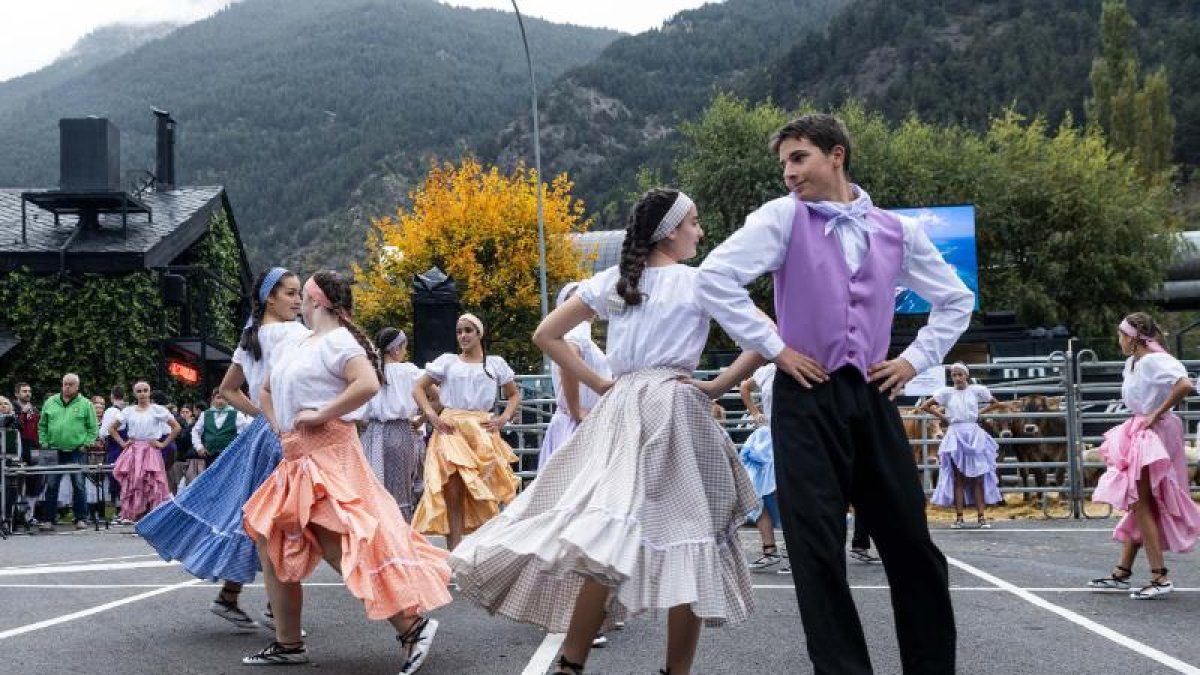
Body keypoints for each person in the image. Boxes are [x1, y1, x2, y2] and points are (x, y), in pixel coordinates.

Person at [695, 114, 973, 674]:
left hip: (872, 394)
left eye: (799, 158)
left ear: (836, 155)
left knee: (912, 546)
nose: (788, 173)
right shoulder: (781, 218)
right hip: (804, 396)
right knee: (816, 551)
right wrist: (776, 348)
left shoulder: (896, 231)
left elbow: (956, 299)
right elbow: (713, 277)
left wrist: (913, 360)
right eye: (784, 163)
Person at [450, 188, 760, 675]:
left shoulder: (617, 281)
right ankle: (674, 672)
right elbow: (762, 338)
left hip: (623, 409)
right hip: (675, 407)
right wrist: (716, 385)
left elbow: (546, 334)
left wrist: (600, 384)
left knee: (605, 531)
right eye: (693, 223)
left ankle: (571, 664)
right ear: (669, 232)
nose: (699, 232)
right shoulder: (699, 282)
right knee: (689, 538)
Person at [241, 271, 450, 672]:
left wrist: (321, 413)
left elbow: (367, 384)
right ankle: (288, 642)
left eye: (302, 295)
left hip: (330, 453)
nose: (298, 302)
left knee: (342, 541)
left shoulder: (338, 341)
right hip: (298, 456)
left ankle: (412, 627)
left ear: (315, 300)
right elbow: (265, 390)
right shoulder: (299, 343)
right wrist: (279, 424)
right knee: (271, 537)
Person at [136, 267, 309, 631]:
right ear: (270, 298)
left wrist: (261, 414)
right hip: (284, 433)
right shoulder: (293, 333)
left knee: (253, 515)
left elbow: (229, 389)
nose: (298, 301)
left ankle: (236, 596)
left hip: (263, 433)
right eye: (291, 293)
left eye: (299, 294)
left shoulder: (252, 336)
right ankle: (273, 607)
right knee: (283, 518)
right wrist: (272, 414)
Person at [1088, 312, 1200, 599]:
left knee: (1141, 501)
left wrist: (1155, 413)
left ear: (1133, 337)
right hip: (1141, 429)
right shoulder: (1133, 363)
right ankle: (1122, 572)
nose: (1119, 340)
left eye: (1121, 335)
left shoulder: (1153, 360)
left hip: (1155, 432)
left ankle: (1159, 577)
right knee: (1139, 502)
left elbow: (1185, 384)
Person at [410, 313, 521, 552]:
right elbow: (418, 387)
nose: (463, 336)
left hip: (481, 432)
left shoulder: (494, 364)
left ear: (479, 333)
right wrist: (430, 415)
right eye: (459, 331)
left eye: (468, 330)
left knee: (485, 492)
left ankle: (482, 551)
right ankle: (455, 554)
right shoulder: (448, 361)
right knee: (453, 493)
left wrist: (503, 418)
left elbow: (514, 394)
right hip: (451, 431)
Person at [537, 281, 611, 471]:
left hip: (572, 421)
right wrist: (576, 410)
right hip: (578, 423)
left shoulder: (568, 332)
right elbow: (568, 361)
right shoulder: (578, 328)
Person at [920, 362, 1003, 528]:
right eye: (954, 375)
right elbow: (925, 405)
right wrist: (944, 417)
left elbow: (995, 402)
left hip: (973, 434)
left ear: (966, 375)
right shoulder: (946, 393)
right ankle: (959, 518)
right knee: (958, 478)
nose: (957, 378)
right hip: (955, 434)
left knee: (978, 477)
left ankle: (981, 517)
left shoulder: (977, 390)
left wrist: (979, 414)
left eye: (960, 374)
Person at [362, 328, 426, 521]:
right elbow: (439, 396)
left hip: (372, 433)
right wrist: (422, 419)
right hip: (401, 431)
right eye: (404, 347)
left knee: (374, 487)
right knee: (401, 490)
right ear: (396, 349)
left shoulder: (369, 372)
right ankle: (401, 529)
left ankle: (380, 531)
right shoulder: (409, 372)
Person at [739, 362, 788, 573]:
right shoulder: (767, 371)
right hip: (768, 441)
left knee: (786, 495)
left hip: (793, 438)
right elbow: (744, 387)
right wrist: (755, 413)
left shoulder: (803, 366)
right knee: (758, 494)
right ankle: (769, 549)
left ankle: (795, 551)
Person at [39, 373, 99, 530]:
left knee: (79, 485)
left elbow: (93, 427)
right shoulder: (50, 402)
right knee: (51, 485)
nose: (67, 387)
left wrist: (87, 444)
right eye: (65, 384)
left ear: (77, 387)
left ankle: (81, 518)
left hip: (77, 450)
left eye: (71, 384)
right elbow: (42, 425)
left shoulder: (86, 404)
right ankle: (48, 520)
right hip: (53, 450)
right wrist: (43, 442)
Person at [110, 381, 177, 521]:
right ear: (135, 393)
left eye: (145, 390)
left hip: (151, 451)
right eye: (139, 391)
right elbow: (112, 428)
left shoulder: (157, 410)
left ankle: (152, 516)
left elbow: (176, 427)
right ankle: (136, 515)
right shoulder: (128, 411)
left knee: (152, 482)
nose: (143, 394)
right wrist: (123, 443)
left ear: (150, 392)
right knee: (134, 482)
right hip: (134, 451)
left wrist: (163, 444)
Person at [188, 389, 249, 482]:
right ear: (213, 399)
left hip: (230, 456)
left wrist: (239, 450)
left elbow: (245, 434)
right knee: (211, 481)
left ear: (228, 399)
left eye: (224, 398)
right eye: (218, 397)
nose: (221, 401)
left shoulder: (237, 415)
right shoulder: (205, 414)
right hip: (210, 455)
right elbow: (195, 432)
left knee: (228, 481)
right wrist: (199, 447)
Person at [15, 383, 44, 527]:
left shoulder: (35, 409)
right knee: (16, 481)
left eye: (29, 391)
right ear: (17, 394)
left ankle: (29, 515)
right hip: (18, 449)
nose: (28, 393)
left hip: (34, 448)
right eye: (24, 391)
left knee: (35, 480)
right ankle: (15, 515)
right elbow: (15, 426)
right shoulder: (12, 408)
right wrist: (22, 413)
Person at [99, 387, 130, 524]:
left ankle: (110, 516)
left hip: (114, 450)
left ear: (112, 396)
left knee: (112, 485)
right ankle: (125, 513)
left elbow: (103, 433)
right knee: (125, 483)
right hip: (127, 451)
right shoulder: (128, 410)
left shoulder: (111, 411)